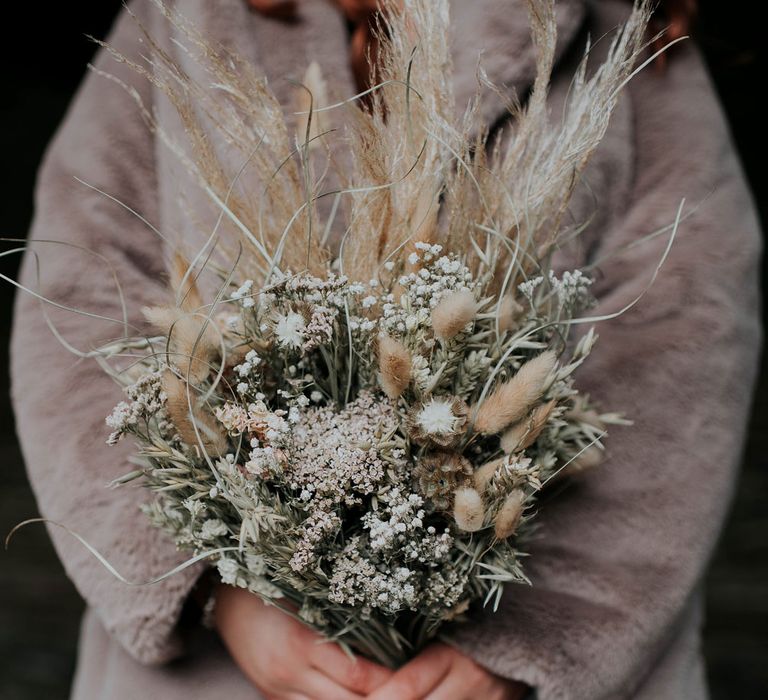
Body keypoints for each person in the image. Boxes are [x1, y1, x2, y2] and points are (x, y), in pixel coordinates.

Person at [10, 0, 761, 698]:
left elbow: (688, 334)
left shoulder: (625, 25)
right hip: (227, 670)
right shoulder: (186, 13)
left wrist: (529, 644)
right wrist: (218, 592)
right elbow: (77, 301)